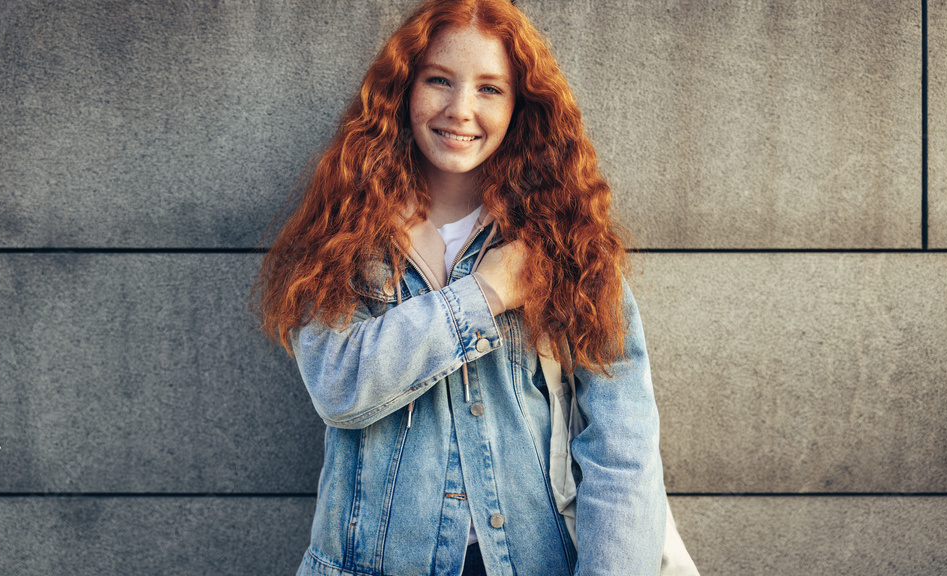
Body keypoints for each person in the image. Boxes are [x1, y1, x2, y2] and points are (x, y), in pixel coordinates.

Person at [254, 1, 667, 574]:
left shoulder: (564, 238)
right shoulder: (345, 227)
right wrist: (486, 294)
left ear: (521, 105)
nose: (460, 109)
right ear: (404, 88)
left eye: (490, 89)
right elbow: (337, 386)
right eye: (440, 80)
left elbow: (623, 443)